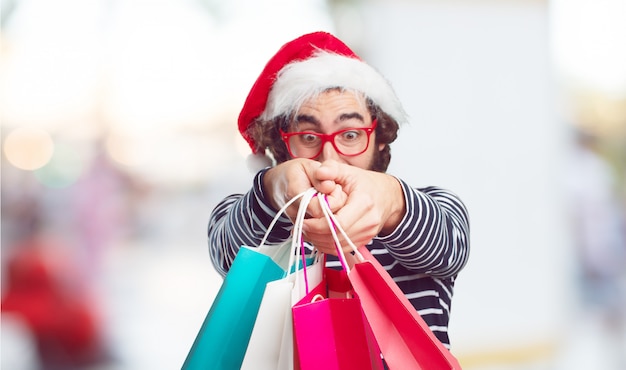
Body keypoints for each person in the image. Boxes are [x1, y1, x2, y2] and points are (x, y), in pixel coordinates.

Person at [207, 31, 470, 349]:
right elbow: (228, 255)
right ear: (281, 143)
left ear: (379, 136)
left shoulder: (437, 207)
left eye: (349, 134)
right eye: (307, 136)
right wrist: (274, 189)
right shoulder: (251, 215)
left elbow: (449, 245)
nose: (328, 161)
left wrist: (388, 202)